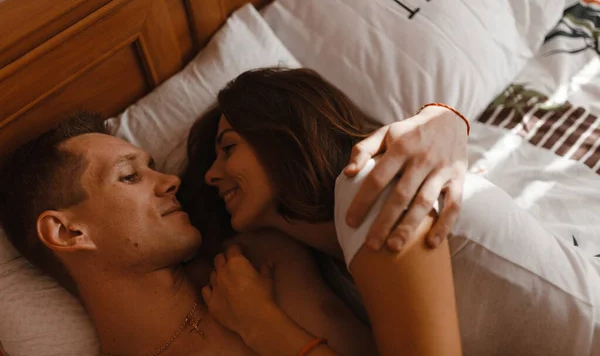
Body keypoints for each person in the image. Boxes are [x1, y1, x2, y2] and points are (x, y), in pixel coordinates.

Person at [0, 100, 467, 356]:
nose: (171, 181)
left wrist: (446, 118)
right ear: (67, 233)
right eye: (129, 176)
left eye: (154, 167)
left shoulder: (256, 262)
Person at [181, 68, 469, 355]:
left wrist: (259, 324)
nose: (210, 175)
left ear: (282, 136)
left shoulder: (366, 186)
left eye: (229, 148)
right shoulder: (336, 270)